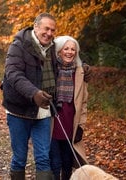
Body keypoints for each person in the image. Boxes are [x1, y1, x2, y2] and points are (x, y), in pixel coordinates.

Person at [2, 12, 58, 179]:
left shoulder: (53, 47)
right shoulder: (18, 45)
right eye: (46, 28)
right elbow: (13, 74)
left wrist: (83, 67)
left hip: (43, 112)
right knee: (20, 159)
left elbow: (71, 54)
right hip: (19, 111)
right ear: (36, 27)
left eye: (53, 30)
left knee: (43, 158)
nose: (49, 33)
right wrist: (34, 93)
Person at [49, 35, 89, 180]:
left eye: (73, 49)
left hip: (70, 124)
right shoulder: (51, 70)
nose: (69, 52)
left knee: (67, 163)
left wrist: (81, 126)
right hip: (53, 123)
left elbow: (83, 103)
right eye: (66, 48)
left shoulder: (80, 72)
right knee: (55, 163)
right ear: (59, 51)